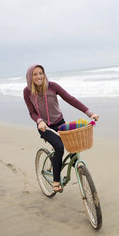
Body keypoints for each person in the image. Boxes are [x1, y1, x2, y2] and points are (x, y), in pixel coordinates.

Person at [23, 64, 99, 193]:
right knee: (59, 147)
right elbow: (32, 112)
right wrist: (39, 121)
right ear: (30, 76)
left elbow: (70, 99)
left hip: (59, 122)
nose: (39, 76)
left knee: (73, 146)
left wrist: (89, 113)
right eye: (35, 74)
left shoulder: (52, 86)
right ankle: (56, 180)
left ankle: (78, 169)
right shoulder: (27, 91)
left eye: (41, 73)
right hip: (44, 126)